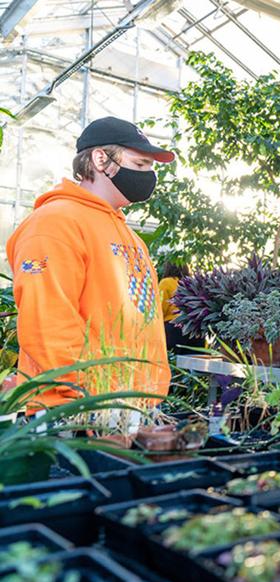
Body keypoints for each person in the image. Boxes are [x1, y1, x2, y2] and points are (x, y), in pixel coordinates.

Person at [6, 116, 173, 408]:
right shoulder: (55, 223)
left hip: (129, 406)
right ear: (100, 159)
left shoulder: (128, 235)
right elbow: (48, 322)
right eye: (140, 165)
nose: (149, 176)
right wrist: (96, 395)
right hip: (74, 411)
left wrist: (150, 391)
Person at [159, 261, 203, 353]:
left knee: (174, 363)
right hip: (195, 329)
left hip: (174, 329)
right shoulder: (193, 283)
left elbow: (159, 310)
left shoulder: (166, 283)